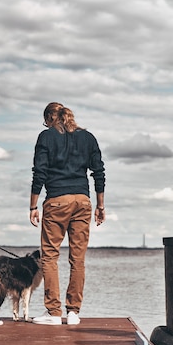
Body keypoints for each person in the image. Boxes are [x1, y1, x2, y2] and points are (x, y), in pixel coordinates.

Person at [29, 102, 105, 326]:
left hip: (57, 201)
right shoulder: (88, 137)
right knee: (78, 258)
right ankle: (73, 313)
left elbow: (39, 173)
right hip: (83, 201)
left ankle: (54, 312)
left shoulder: (46, 137)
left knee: (50, 256)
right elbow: (98, 172)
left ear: (49, 119)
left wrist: (33, 206)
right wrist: (100, 205)